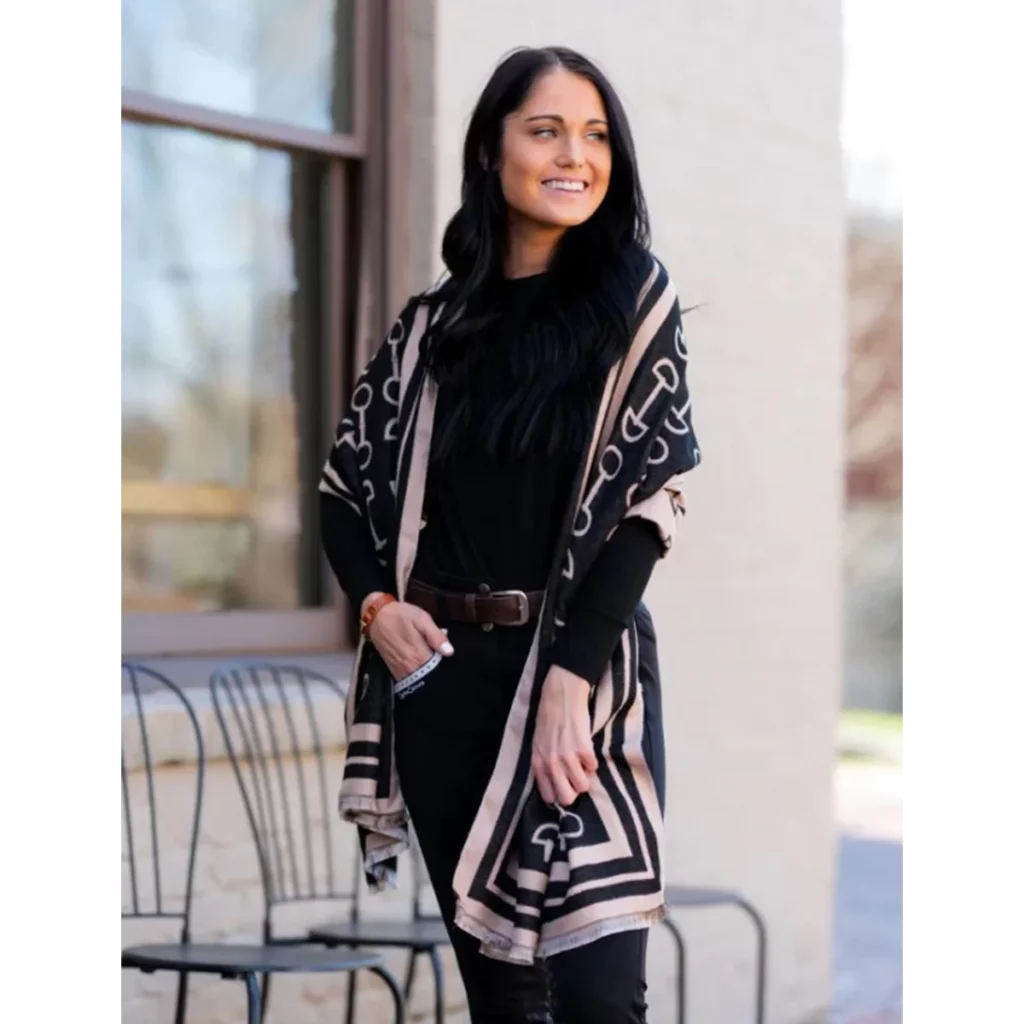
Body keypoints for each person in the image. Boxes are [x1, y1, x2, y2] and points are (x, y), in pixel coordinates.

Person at [320, 45, 701, 1024]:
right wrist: (376, 609)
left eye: (595, 134)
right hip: (446, 688)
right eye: (545, 130)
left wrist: (567, 680)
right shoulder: (430, 330)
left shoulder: (632, 304)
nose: (575, 154)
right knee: (506, 1002)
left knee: (596, 997)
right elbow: (342, 487)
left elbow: (645, 511)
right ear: (491, 152)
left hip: (583, 683)